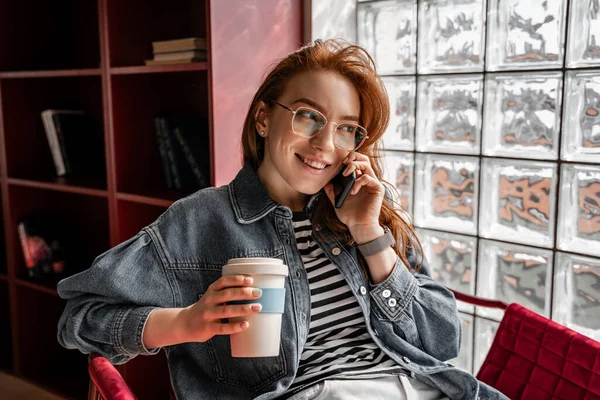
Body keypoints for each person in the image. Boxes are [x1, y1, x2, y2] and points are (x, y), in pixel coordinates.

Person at [57, 39, 507, 400]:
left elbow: (441, 343)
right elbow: (81, 319)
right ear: (263, 119)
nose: (325, 145)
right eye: (309, 117)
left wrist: (369, 235)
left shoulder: (369, 212)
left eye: (346, 128)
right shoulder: (199, 221)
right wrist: (187, 322)